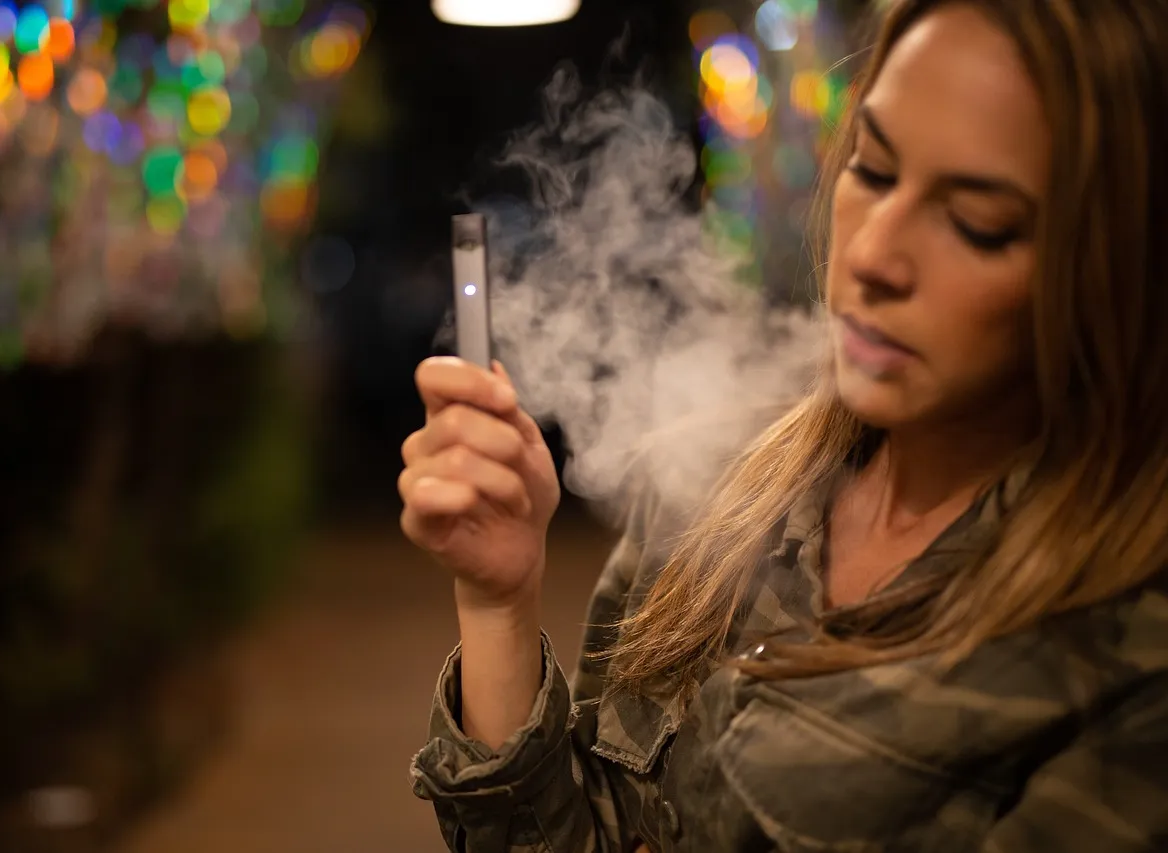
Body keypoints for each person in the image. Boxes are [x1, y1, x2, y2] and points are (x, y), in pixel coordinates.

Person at [398, 0, 1168, 850]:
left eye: (975, 225)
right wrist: (499, 599)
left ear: (1115, 272)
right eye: (873, 170)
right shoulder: (713, 482)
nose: (872, 255)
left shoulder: (1128, 661)